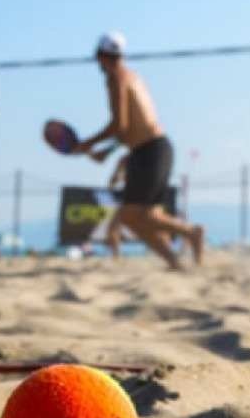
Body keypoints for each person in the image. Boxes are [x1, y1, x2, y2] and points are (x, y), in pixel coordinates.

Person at [73, 33, 204, 270]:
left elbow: (119, 125)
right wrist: (107, 150)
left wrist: (88, 143)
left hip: (148, 152)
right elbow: (130, 128)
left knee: (130, 217)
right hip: (158, 148)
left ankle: (189, 235)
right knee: (148, 217)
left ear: (102, 57)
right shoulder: (133, 76)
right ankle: (176, 260)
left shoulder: (115, 79)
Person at [104, 152, 132, 259]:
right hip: (148, 195)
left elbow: (113, 181)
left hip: (133, 196)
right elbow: (114, 181)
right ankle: (116, 255)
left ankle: (116, 256)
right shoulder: (149, 155)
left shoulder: (125, 159)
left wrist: (118, 178)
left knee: (113, 227)